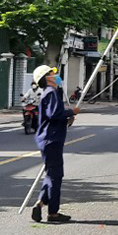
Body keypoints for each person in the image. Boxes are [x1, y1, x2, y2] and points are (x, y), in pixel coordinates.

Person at [31, 65, 79, 223]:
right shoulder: (50, 92)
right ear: (47, 78)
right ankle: (53, 213)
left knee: (52, 174)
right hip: (51, 140)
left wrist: (67, 119)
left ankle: (41, 203)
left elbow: (54, 116)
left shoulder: (51, 93)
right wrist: (71, 112)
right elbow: (54, 114)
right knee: (55, 176)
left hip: (51, 139)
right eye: (53, 73)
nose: (56, 75)